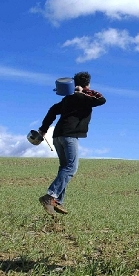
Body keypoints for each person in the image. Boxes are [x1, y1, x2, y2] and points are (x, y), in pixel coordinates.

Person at [38, 71, 106, 216]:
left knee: (64, 167)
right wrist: (84, 92)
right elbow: (101, 99)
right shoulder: (83, 97)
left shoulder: (67, 98)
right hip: (69, 136)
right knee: (71, 167)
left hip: (57, 136)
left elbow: (52, 110)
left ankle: (58, 201)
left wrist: (43, 129)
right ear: (87, 84)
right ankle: (50, 196)